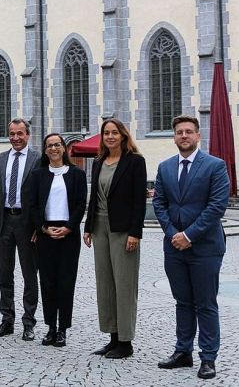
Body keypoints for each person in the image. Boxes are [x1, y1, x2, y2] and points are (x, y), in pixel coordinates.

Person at [153, 115, 229, 380]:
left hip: (205, 248)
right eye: (179, 132)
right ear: (174, 137)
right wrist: (173, 234)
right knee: (183, 301)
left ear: (198, 135)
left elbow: (217, 206)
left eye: (188, 131)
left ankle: (208, 358)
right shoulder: (164, 167)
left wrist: (189, 235)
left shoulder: (215, 166)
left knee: (205, 303)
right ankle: (183, 351)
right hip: (174, 247)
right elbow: (159, 204)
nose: (184, 135)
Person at [83, 118, 146, 359]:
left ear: (123, 135)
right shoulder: (99, 161)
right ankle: (112, 337)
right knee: (106, 284)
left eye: (114, 133)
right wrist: (88, 227)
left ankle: (125, 342)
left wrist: (135, 233)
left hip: (123, 229)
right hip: (100, 227)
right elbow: (94, 198)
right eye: (106, 133)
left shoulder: (135, 161)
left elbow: (139, 200)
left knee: (124, 284)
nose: (110, 136)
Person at [25, 133, 86, 347]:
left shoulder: (77, 174)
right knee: (48, 282)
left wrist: (69, 227)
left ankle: (63, 329)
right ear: (45, 150)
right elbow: (32, 205)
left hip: (69, 233)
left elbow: (81, 204)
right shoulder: (38, 175)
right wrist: (42, 228)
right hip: (46, 232)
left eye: (57, 145)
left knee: (66, 282)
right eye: (49, 145)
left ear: (64, 148)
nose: (53, 148)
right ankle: (51, 326)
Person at [0, 118, 40, 340]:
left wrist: (39, 226)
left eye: (20, 133)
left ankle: (29, 322)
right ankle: (7, 319)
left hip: (27, 224)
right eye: (12, 134)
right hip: (5, 222)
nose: (16, 138)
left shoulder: (38, 159)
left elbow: (42, 196)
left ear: (28, 135)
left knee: (30, 274)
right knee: (5, 274)